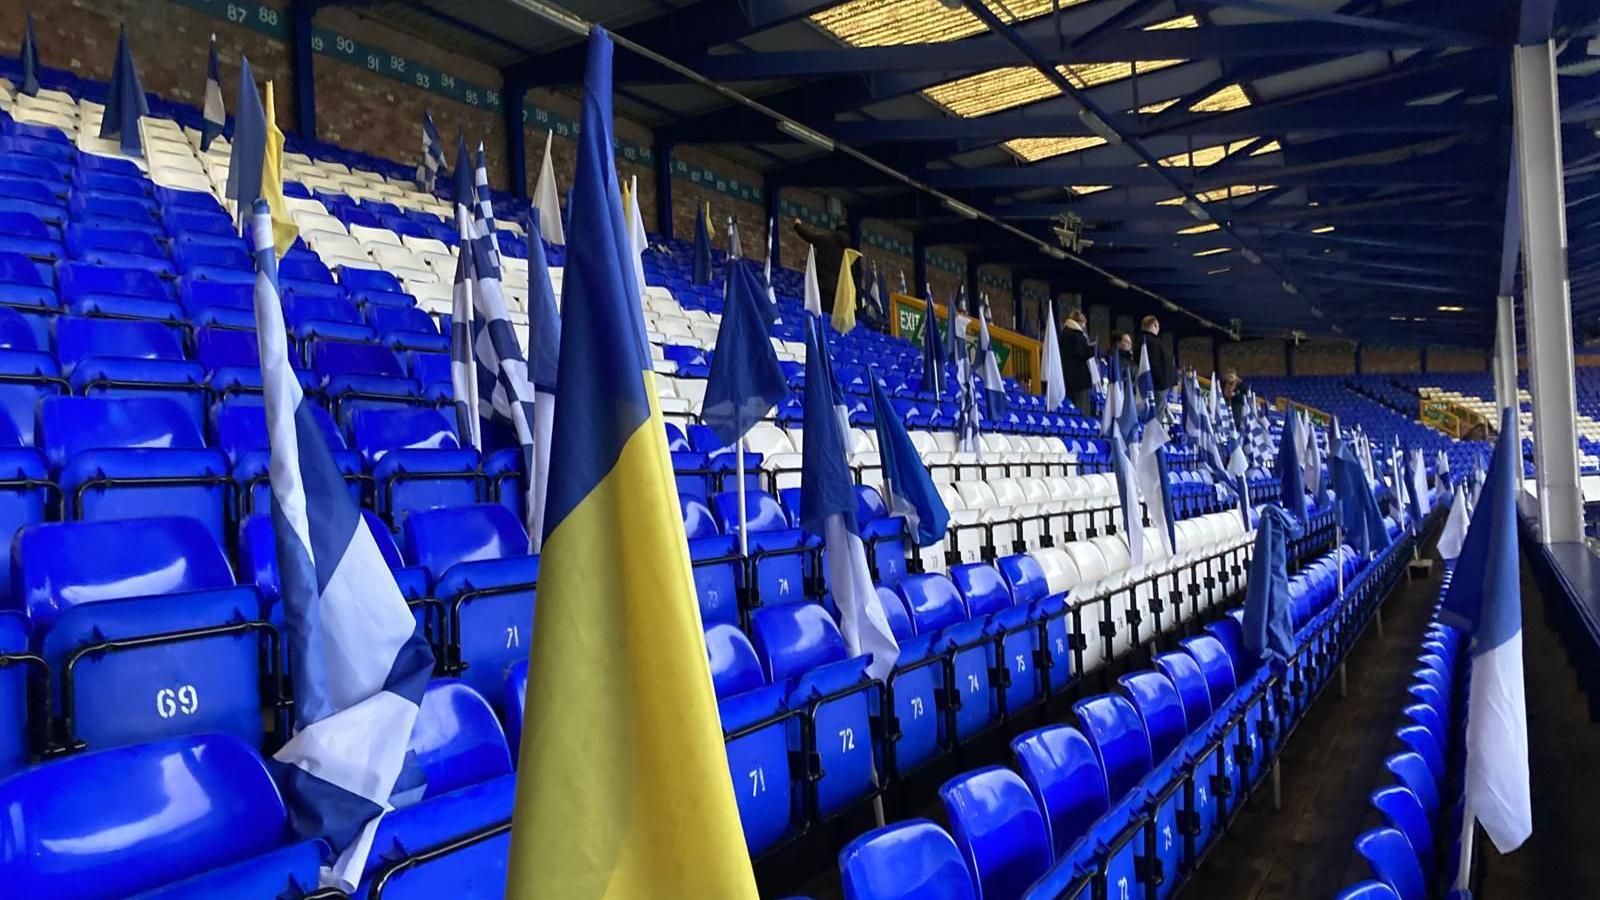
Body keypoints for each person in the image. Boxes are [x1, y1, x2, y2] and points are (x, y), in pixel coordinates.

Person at [792, 218, 857, 315]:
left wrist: (797, 225)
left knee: (820, 315)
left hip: (821, 285)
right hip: (838, 292)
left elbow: (808, 236)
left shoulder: (825, 240)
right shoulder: (848, 254)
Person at [1059, 308, 1095, 416]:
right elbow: (1082, 353)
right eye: (1083, 324)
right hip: (1080, 379)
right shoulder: (1078, 336)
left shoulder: (1063, 333)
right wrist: (1091, 349)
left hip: (1066, 377)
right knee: (1081, 409)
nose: (1084, 327)